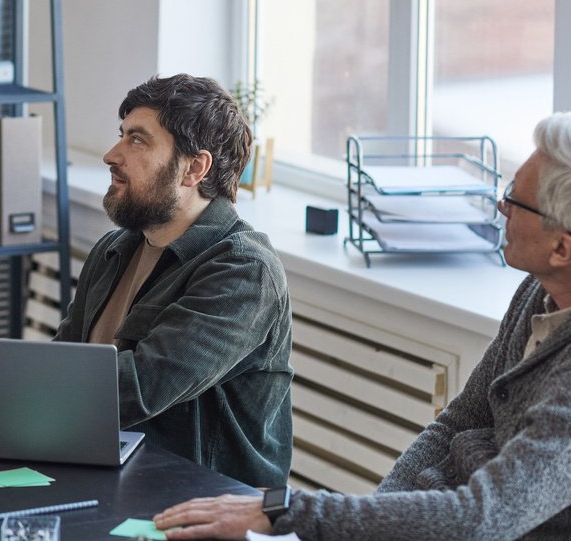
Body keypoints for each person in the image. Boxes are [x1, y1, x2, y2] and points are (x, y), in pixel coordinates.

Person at [156, 112, 571, 540]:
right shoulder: (535, 293)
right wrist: (382, 513)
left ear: (561, 247)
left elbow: (480, 517)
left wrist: (283, 510)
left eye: (514, 200)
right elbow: (458, 424)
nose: (501, 207)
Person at [53, 74, 292, 487]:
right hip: (111, 477)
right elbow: (62, 364)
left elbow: (141, 386)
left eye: (138, 141)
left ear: (194, 169)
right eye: (122, 136)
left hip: (200, 504)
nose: (112, 155)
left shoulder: (244, 272)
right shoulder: (113, 250)